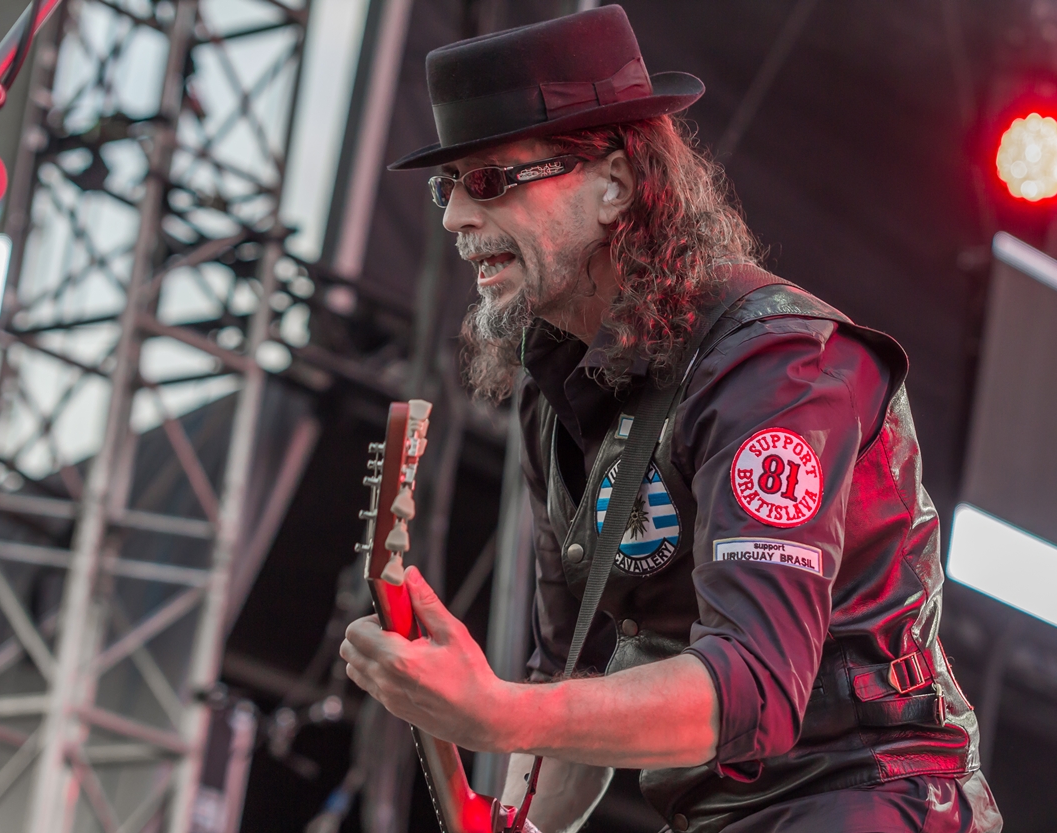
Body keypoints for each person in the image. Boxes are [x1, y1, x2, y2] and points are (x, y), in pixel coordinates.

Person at [340, 6, 1003, 832]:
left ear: (615, 184)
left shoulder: (777, 366)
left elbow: (753, 686)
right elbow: (571, 683)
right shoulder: (556, 396)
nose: (454, 220)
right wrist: (516, 816)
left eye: (489, 182)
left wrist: (496, 712)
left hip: (873, 799)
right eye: (448, 188)